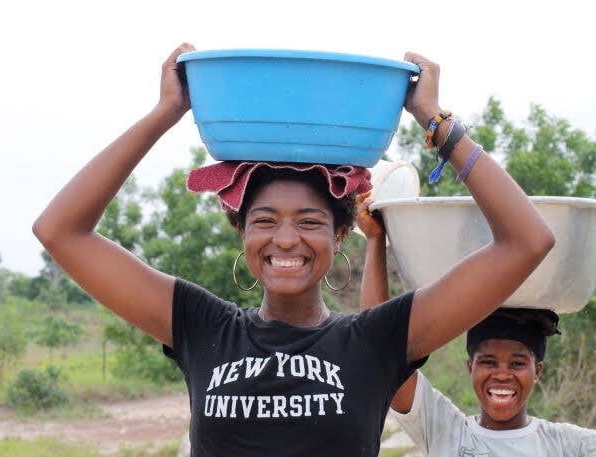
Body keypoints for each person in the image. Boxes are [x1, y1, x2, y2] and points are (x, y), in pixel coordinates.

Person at [32, 43, 555, 457]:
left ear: (339, 235)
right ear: (242, 231)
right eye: (265, 220)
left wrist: (436, 121)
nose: (285, 239)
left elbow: (527, 241)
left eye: (308, 221)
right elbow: (61, 231)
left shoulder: (377, 340)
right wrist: (166, 112)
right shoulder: (200, 326)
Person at [357, 198, 596, 456]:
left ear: (537, 370)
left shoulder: (568, 445)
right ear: (470, 367)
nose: (502, 374)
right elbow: (380, 347)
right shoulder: (444, 429)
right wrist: (375, 241)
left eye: (517, 363)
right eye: (488, 362)